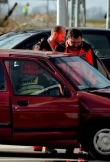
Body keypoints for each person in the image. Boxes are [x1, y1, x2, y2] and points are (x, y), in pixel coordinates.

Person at [32, 25, 66, 154]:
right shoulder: (41, 47)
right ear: (56, 35)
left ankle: (44, 145)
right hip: (42, 85)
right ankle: (41, 145)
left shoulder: (56, 47)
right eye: (62, 36)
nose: (64, 39)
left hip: (52, 83)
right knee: (43, 115)